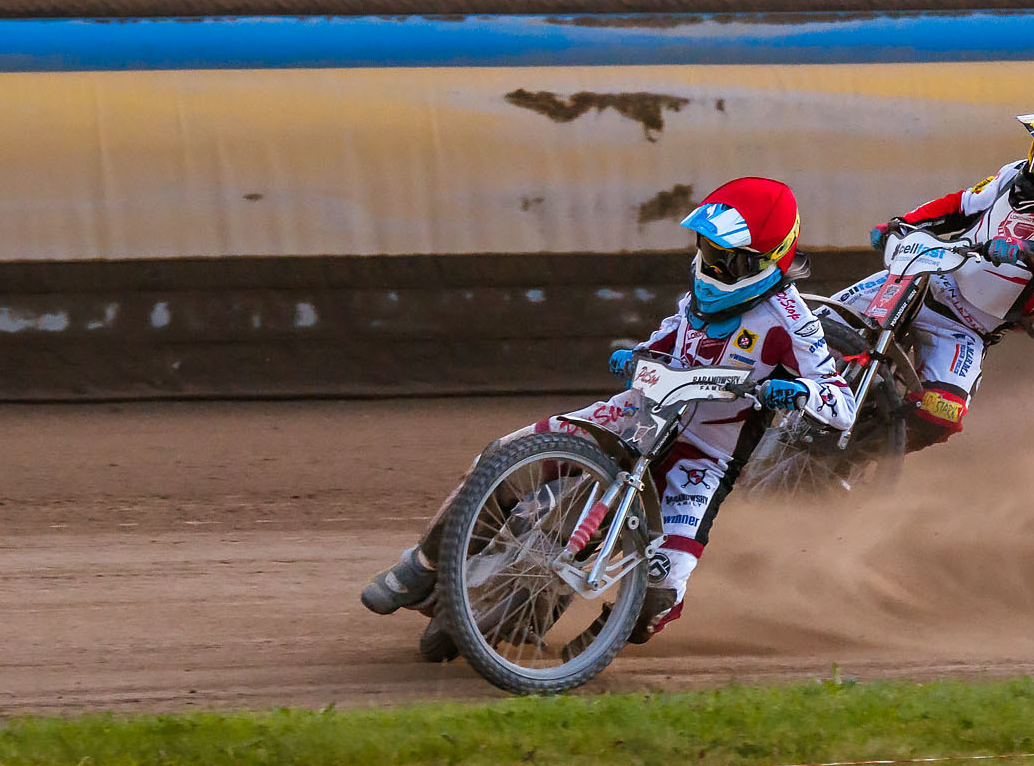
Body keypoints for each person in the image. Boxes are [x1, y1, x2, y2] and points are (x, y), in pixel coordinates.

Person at [361, 177, 852, 657]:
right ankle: (421, 566)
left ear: (768, 259)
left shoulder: (793, 321)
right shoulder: (694, 296)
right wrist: (637, 354)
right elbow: (665, 338)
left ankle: (595, 638)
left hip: (703, 457)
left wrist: (801, 393)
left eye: (729, 260)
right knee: (502, 455)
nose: (714, 268)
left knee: (660, 596)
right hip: (637, 414)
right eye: (708, 251)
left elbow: (842, 405)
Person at [833, 106, 1034, 451]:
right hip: (926, 278)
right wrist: (903, 224)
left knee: (941, 414)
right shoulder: (1012, 176)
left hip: (967, 328)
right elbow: (960, 205)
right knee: (815, 327)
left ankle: (843, 460)